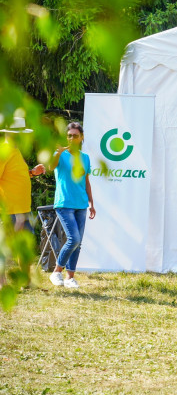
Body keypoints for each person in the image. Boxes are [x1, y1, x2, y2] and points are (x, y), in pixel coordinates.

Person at [49, 122, 95, 289]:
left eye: (75, 135)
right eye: (69, 136)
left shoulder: (85, 157)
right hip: (64, 203)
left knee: (78, 242)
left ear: (81, 137)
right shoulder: (59, 154)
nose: (72, 138)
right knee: (73, 238)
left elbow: (86, 182)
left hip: (81, 204)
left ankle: (70, 278)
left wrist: (91, 203)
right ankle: (56, 272)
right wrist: (58, 153)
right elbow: (50, 166)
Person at [0, 117, 46, 233]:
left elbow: (14, 175)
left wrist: (32, 172)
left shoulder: (16, 150)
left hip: (24, 211)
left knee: (24, 250)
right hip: (9, 213)